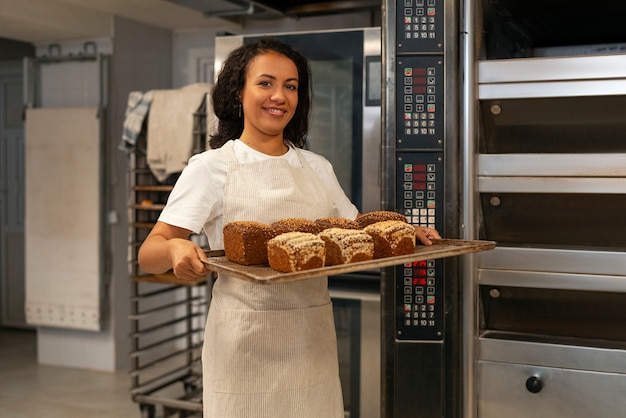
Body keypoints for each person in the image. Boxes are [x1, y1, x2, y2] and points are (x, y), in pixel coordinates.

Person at [137, 38, 440, 418]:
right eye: (265, 83)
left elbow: (353, 231)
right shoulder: (212, 167)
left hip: (310, 338)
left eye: (291, 86)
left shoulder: (317, 167)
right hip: (244, 344)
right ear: (237, 92)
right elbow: (149, 254)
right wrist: (174, 249)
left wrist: (400, 231)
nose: (279, 96)